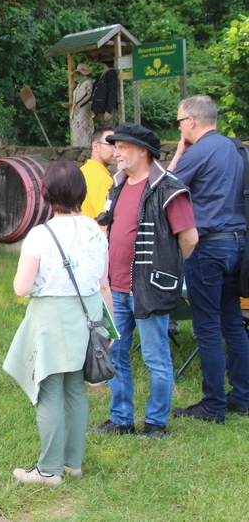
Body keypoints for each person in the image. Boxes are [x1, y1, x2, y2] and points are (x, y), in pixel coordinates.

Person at [4, 159, 110, 486]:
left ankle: (49, 471)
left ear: (46, 193)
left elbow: (22, 288)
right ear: (81, 190)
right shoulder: (97, 229)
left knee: (49, 391)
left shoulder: (40, 235)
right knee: (76, 389)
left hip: (52, 318)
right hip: (90, 315)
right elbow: (103, 282)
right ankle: (72, 463)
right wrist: (109, 327)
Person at [91, 123, 198, 439]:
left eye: (122, 147)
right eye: (115, 146)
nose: (117, 152)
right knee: (115, 354)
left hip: (148, 288)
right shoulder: (118, 185)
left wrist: (164, 268)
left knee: (155, 357)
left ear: (142, 151)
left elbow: (189, 238)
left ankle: (155, 424)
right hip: (116, 287)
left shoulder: (168, 188)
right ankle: (121, 420)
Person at [168, 95, 249, 423]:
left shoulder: (198, 152)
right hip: (238, 245)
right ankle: (242, 397)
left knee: (207, 326)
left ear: (191, 122)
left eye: (179, 123)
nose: (179, 129)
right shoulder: (238, 148)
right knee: (232, 321)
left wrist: (176, 155)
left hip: (208, 247)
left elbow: (165, 189)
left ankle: (213, 405)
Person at [79, 128, 115, 220]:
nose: (116, 150)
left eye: (118, 145)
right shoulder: (102, 179)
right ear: (96, 146)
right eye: (111, 144)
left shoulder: (80, 172)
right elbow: (106, 219)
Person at [69, 63, 95, 148]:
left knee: (84, 129)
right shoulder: (79, 84)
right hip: (76, 110)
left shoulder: (88, 82)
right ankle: (77, 147)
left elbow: (89, 95)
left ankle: (85, 148)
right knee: (76, 130)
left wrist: (79, 104)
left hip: (84, 108)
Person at [91, 52, 118, 129]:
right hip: (99, 109)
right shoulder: (103, 74)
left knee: (107, 131)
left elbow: (112, 92)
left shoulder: (111, 73)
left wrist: (109, 110)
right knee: (101, 131)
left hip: (105, 109)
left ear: (102, 63)